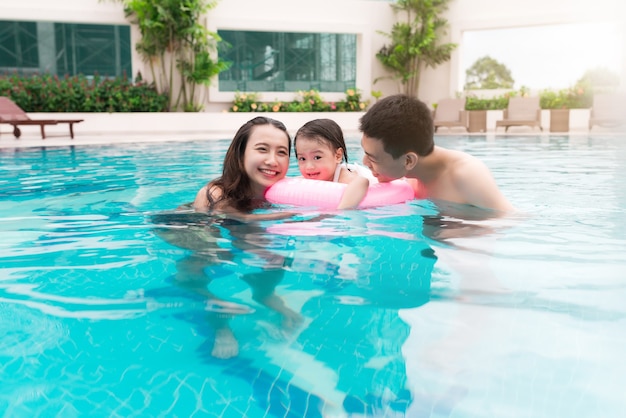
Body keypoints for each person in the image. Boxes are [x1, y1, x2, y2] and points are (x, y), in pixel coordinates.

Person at [158, 116, 303, 359]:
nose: (272, 160)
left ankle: (266, 295)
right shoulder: (215, 193)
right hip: (186, 224)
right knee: (198, 262)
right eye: (262, 149)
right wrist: (278, 218)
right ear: (240, 155)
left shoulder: (284, 194)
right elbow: (226, 222)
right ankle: (219, 319)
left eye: (282, 152)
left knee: (273, 255)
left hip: (243, 223)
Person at [359, 94, 514, 213]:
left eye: (372, 158)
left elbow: (509, 219)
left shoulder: (466, 175)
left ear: (408, 161)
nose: (364, 161)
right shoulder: (408, 176)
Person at [294, 118, 370, 209]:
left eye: (317, 157)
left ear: (337, 156)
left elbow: (363, 182)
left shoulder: (347, 179)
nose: (309, 167)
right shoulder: (312, 175)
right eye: (302, 158)